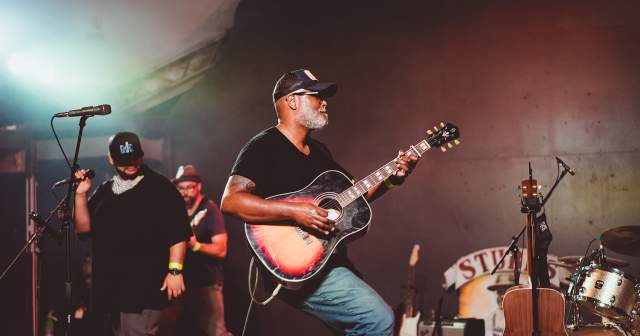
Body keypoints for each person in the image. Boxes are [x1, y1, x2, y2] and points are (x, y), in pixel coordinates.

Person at [220, 69, 419, 335]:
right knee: (378, 320)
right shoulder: (263, 146)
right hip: (294, 263)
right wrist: (295, 211)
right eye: (316, 96)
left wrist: (393, 179)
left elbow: (354, 196)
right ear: (292, 101)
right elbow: (231, 201)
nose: (324, 103)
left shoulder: (320, 152)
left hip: (327, 261)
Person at [73, 131, 191, 336]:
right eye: (123, 161)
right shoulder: (105, 190)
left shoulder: (161, 187)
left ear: (141, 156)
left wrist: (174, 271)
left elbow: (178, 233)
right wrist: (81, 194)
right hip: (110, 289)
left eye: (134, 159)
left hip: (144, 288)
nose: (130, 164)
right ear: (110, 159)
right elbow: (83, 228)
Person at [172, 164, 232, 336]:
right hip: (184, 284)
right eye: (181, 188)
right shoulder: (178, 211)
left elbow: (221, 250)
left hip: (207, 283)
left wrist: (195, 245)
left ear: (198, 186)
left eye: (189, 187)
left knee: (217, 331)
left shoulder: (210, 210)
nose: (185, 192)